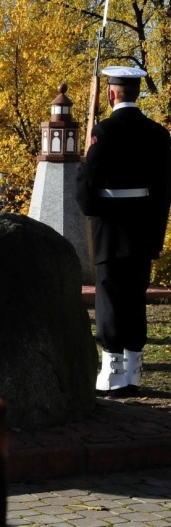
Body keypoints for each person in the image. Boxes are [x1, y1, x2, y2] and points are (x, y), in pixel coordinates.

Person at [75, 66, 171, 396]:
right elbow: (163, 192)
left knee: (110, 299)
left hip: (111, 228)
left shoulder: (104, 132)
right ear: (136, 93)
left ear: (111, 94)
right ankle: (133, 371)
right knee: (134, 298)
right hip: (144, 229)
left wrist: (82, 172)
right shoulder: (158, 134)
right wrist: (156, 235)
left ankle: (113, 371)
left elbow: (87, 195)